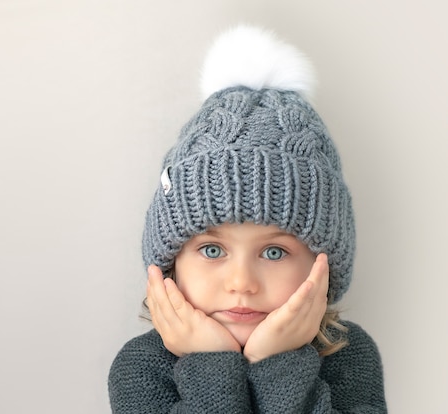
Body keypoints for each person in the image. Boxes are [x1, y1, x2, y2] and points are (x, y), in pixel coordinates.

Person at [108, 24, 387, 413]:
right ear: (170, 263)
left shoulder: (348, 356)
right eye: (211, 249)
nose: (241, 283)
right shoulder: (143, 366)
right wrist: (209, 365)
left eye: (274, 252)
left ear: (323, 270)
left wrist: (279, 364)